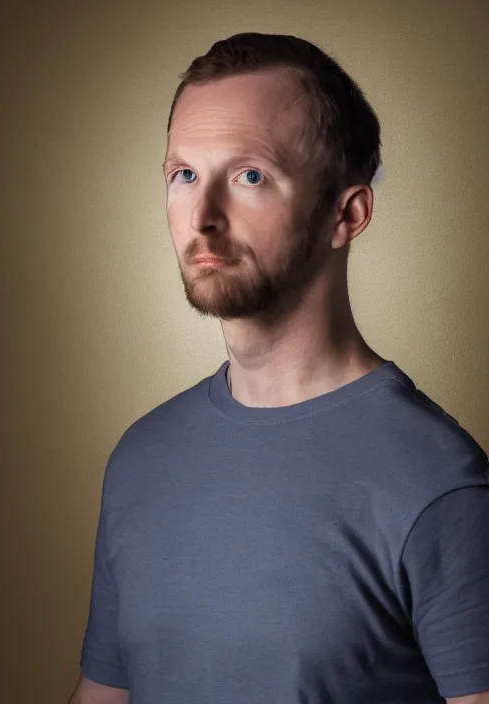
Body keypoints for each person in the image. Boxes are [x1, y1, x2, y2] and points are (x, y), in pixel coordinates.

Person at [69, 33, 489, 704]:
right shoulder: (140, 460)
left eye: (250, 176)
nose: (202, 217)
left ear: (345, 215)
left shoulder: (439, 484)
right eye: (184, 174)